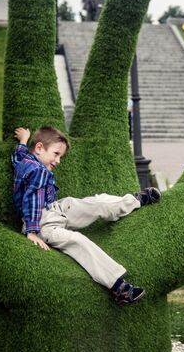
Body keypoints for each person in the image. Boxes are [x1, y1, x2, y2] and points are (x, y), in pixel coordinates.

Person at [12, 126, 161, 305]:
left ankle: (135, 201)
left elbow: (17, 156)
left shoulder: (26, 160)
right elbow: (32, 201)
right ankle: (119, 287)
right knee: (78, 241)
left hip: (54, 209)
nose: (58, 160)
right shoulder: (38, 171)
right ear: (39, 148)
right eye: (56, 154)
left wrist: (22, 141)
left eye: (60, 156)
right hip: (43, 222)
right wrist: (32, 231)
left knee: (93, 203)